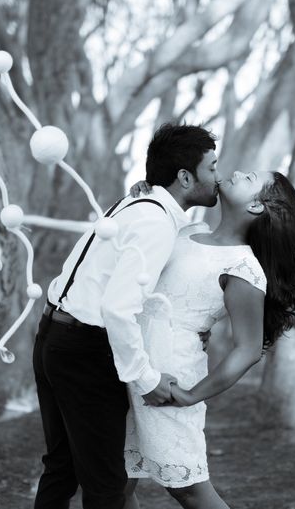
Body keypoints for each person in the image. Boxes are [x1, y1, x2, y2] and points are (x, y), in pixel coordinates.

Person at [33, 123, 221, 509]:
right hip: (85, 349)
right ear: (185, 177)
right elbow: (118, 308)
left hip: (54, 332)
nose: (218, 177)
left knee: (62, 467)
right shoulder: (156, 222)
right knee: (106, 484)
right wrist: (146, 378)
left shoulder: (137, 203)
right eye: (212, 167)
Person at [122, 171, 295, 509]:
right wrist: (143, 198)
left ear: (256, 205)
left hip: (170, 375)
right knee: (115, 480)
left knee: (188, 488)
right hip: (127, 358)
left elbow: (248, 349)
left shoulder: (243, 268)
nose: (236, 172)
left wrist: (192, 395)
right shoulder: (189, 230)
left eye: (249, 177)